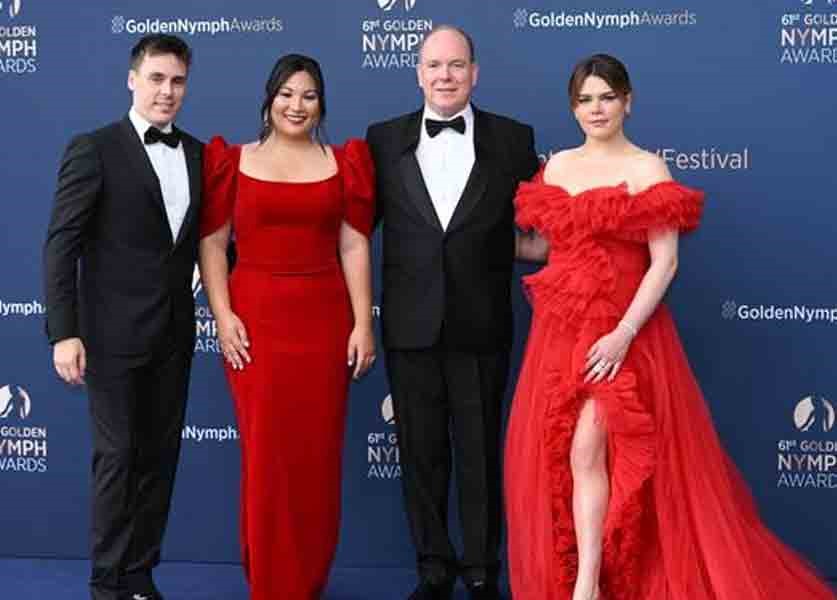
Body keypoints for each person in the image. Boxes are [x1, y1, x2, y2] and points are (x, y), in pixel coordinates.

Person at [505, 53, 836, 600]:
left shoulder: (647, 168)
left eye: (606, 97)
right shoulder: (558, 166)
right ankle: (589, 578)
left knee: (588, 445)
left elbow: (666, 263)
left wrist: (623, 334)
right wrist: (473, 244)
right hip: (561, 330)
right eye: (585, 99)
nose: (596, 109)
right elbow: (548, 245)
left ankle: (586, 586)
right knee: (568, 454)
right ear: (573, 107)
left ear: (627, 102)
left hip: (623, 330)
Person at [366, 25, 539, 600]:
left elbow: (540, 231)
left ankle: (482, 567)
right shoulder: (381, 140)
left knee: (481, 450)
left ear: (475, 72)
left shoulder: (515, 140)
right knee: (420, 452)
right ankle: (433, 567)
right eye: (435, 65)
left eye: (457, 65)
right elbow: (351, 233)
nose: (445, 76)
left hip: (483, 322)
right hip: (409, 324)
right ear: (417, 72)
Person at [198, 53, 375, 600]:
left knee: (317, 455)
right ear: (269, 99)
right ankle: (272, 581)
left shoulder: (344, 161)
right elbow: (211, 242)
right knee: (267, 453)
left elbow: (353, 242)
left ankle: (308, 579)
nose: (297, 106)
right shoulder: (232, 160)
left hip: (324, 319)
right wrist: (222, 315)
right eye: (287, 94)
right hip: (257, 322)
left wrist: (363, 322)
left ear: (321, 104)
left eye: (309, 96)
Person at [43, 34, 202, 600]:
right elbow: (61, 245)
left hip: (176, 335)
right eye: (156, 79)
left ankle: (139, 575)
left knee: (160, 458)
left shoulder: (199, 154)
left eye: (177, 81)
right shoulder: (95, 148)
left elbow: (208, 245)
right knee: (117, 456)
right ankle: (107, 580)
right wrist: (64, 332)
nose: (167, 91)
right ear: (132, 80)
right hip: (109, 336)